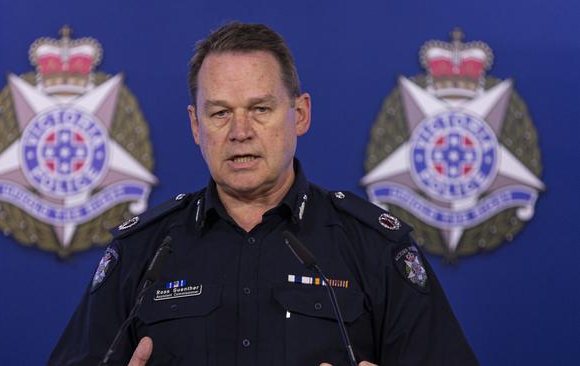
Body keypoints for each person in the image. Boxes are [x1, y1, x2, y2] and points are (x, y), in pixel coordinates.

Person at [49, 22, 478, 366]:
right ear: (196, 126)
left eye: (260, 109)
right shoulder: (141, 250)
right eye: (219, 113)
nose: (240, 132)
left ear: (300, 114)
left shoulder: (374, 247)